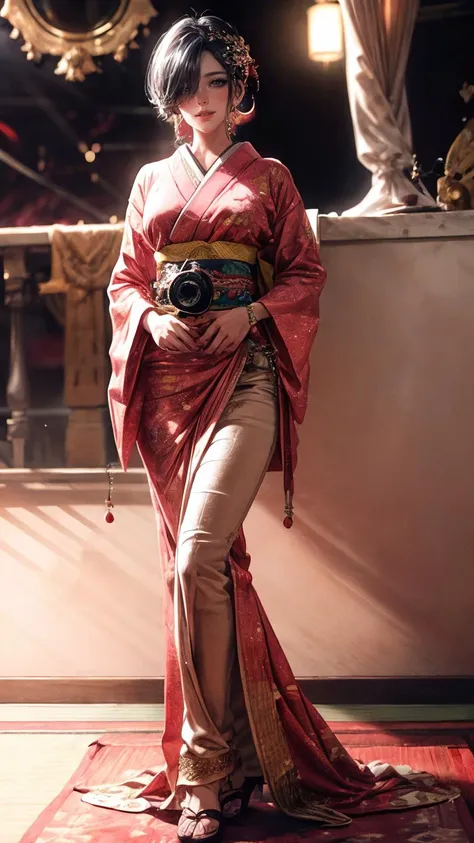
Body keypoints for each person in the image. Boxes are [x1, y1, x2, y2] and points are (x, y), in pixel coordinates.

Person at [86, 14, 455, 843]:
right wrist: (149, 320)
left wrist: (248, 310)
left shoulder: (274, 179)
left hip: (245, 373)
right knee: (198, 572)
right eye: (188, 85)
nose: (204, 99)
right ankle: (224, 762)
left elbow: (304, 271)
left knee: (198, 554)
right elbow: (124, 280)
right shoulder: (150, 182)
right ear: (170, 95)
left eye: (218, 81)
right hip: (167, 395)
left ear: (239, 87)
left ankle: (203, 765)